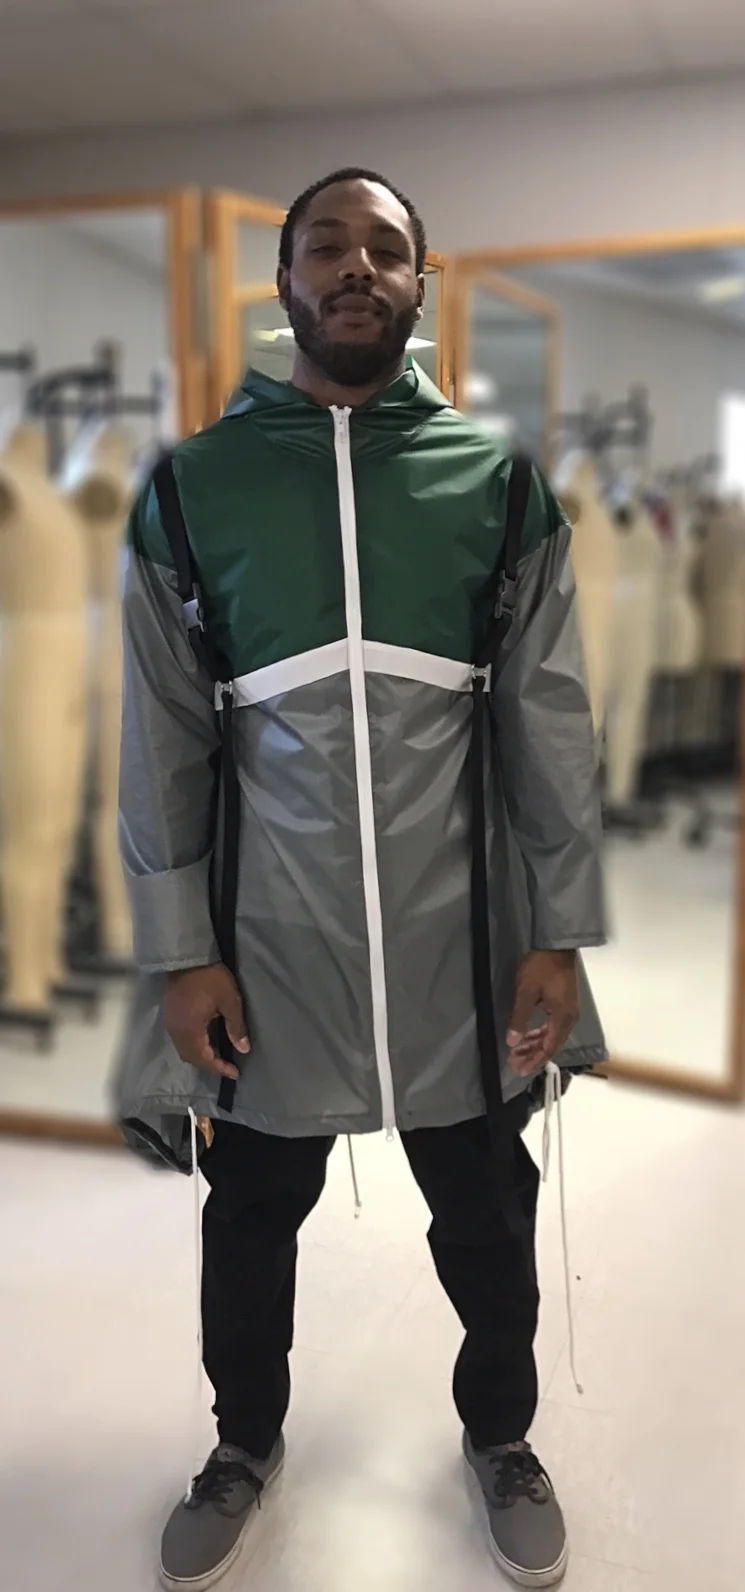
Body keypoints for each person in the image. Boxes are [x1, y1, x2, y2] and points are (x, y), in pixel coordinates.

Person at [116, 168, 606, 1590]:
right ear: (284, 284)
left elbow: (550, 721)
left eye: (382, 250)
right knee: (249, 1215)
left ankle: (501, 1437)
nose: (353, 268)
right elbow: (161, 737)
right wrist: (181, 948)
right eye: (324, 247)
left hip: (463, 938)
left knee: (488, 1213)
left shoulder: (496, 486)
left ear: (418, 283)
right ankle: (242, 1443)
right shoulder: (194, 491)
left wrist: (557, 931)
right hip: (269, 937)